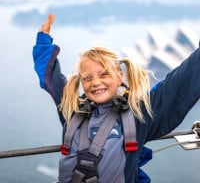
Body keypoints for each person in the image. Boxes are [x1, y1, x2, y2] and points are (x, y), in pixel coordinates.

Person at [32, 14, 200, 183]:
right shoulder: (72, 110)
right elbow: (50, 77)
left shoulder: (138, 115)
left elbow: (178, 85)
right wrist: (43, 42)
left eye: (103, 74)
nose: (95, 83)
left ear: (119, 76)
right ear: (81, 82)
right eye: (87, 78)